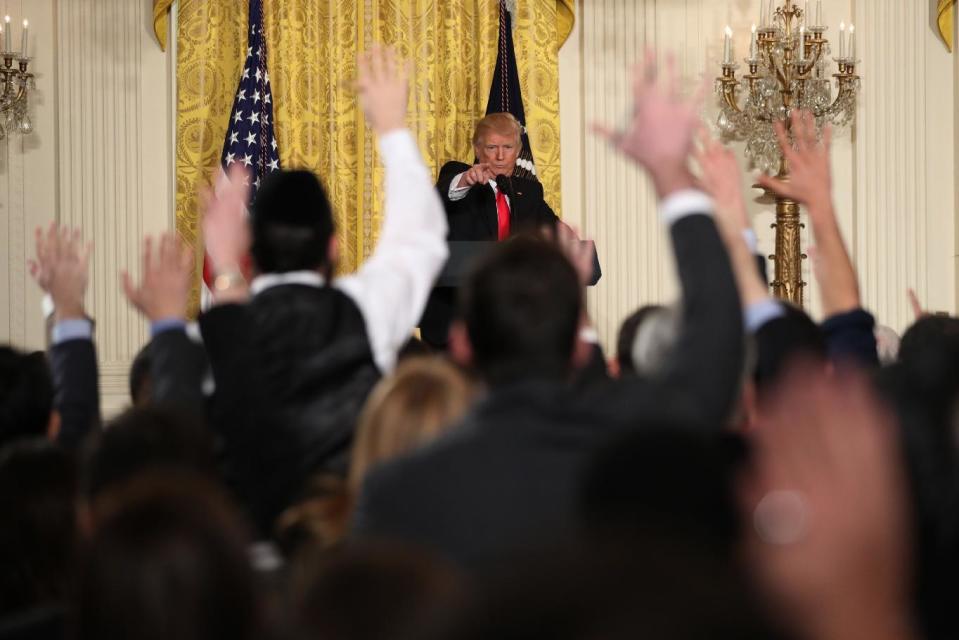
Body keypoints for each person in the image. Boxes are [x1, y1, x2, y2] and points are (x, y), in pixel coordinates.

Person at [352, 51, 744, 571]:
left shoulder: (396, 490)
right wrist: (676, 182)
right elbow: (438, 204)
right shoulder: (455, 177)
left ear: (518, 149)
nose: (497, 156)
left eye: (506, 147)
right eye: (488, 148)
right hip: (452, 313)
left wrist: (570, 242)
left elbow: (552, 226)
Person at [123, 46, 449, 537]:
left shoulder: (210, 338)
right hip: (344, 559)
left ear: (251, 250)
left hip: (244, 575)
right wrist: (391, 128)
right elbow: (419, 239)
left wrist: (225, 264)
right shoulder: (366, 311)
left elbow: (178, 443)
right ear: (335, 246)